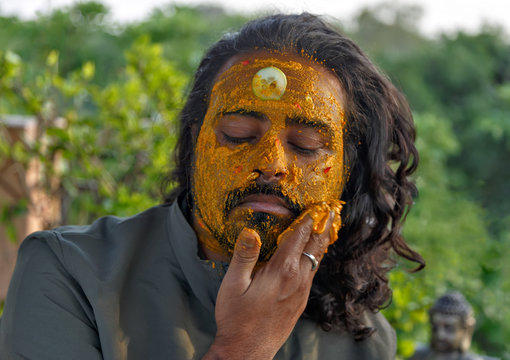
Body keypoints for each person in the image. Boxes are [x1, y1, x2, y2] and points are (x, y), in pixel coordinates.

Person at [0, 13, 424, 359]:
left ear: (347, 172)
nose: (270, 164)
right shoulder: (69, 273)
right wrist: (242, 348)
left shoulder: (361, 338)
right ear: (194, 144)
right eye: (239, 134)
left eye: (306, 145)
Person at [409, 292, 494, 360]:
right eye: (435, 328)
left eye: (449, 328)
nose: (440, 335)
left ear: (465, 330)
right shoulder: (417, 355)